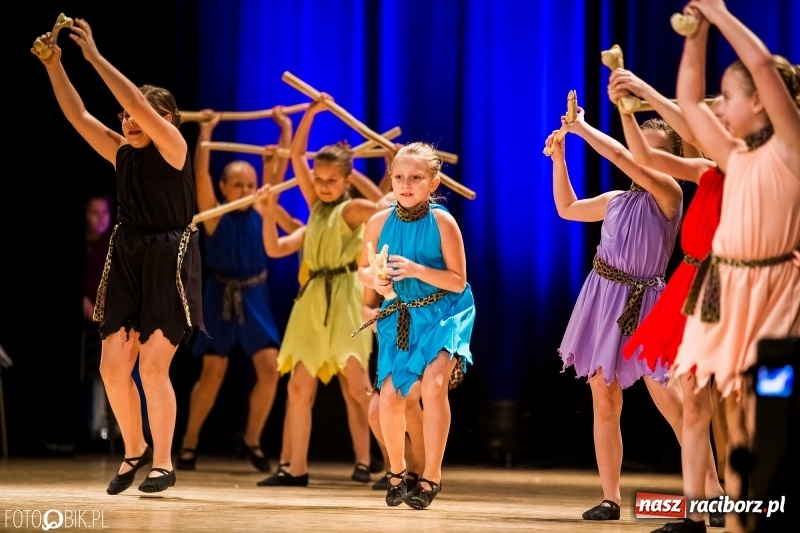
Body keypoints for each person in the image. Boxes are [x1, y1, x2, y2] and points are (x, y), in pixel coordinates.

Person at [32, 18, 205, 494]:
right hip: (128, 254)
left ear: (167, 120)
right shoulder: (122, 153)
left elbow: (139, 104)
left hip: (169, 256)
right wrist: (54, 66)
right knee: (112, 367)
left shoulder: (174, 145)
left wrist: (94, 57)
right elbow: (79, 116)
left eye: (138, 114)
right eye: (124, 115)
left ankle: (163, 463)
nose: (129, 120)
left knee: (152, 366)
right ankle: (134, 448)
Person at [669, 2, 800, 531]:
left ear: (762, 103)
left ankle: (762, 511)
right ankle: (715, 513)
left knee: (764, 410)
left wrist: (720, 14)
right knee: (713, 404)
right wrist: (695, 35)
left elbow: (762, 66)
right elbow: (687, 99)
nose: (718, 106)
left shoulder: (791, 146)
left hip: (774, 291)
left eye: (729, 96)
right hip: (725, 286)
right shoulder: (734, 154)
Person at [544, 106, 685, 520]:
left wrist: (581, 127)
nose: (643, 157)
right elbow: (568, 208)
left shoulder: (669, 195)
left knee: (671, 398)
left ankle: (710, 489)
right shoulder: (616, 200)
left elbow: (622, 157)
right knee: (603, 396)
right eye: (641, 148)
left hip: (647, 302)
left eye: (654, 151)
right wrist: (559, 159)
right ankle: (611, 498)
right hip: (604, 299)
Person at [608, 69, 728, 531]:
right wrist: (628, 106)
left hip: (735, 284)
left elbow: (689, 117)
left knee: (737, 405)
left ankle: (738, 500)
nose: (711, 123)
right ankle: (698, 510)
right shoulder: (705, 171)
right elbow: (640, 155)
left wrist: (644, 92)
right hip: (697, 284)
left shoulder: (758, 167)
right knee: (694, 399)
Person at [255, 94, 389, 487]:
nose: (324, 186)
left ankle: (394, 466)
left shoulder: (350, 209)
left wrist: (388, 168)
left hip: (346, 298)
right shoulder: (315, 206)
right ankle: (295, 468)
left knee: (359, 388)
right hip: (311, 301)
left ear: (346, 182)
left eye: (333, 181)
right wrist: (310, 115)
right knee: (299, 387)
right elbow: (297, 157)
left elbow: (385, 206)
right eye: (319, 179)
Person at [177, 107, 299, 472]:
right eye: (238, 185)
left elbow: (277, 171)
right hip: (219, 294)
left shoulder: (262, 208)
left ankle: (252, 440)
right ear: (224, 188)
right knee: (213, 371)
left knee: (270, 368)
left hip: (254, 295)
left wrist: (284, 130)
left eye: (250, 185)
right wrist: (206, 134)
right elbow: (200, 174)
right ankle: (189, 442)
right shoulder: (214, 215)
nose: (245, 190)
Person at [355, 141, 476, 510]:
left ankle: (431, 477)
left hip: (445, 312)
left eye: (416, 178)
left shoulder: (443, 222)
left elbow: (458, 280)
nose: (406, 185)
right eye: (399, 177)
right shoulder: (378, 222)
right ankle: (397, 473)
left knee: (435, 386)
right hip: (402, 313)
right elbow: (363, 270)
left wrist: (416, 269)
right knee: (391, 396)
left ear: (433, 183)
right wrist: (377, 280)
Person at [361, 286, 425, 491]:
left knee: (410, 400)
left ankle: (426, 474)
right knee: (374, 414)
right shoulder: (379, 267)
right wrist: (376, 319)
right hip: (391, 342)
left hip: (424, 331)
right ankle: (409, 467)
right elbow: (367, 306)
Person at [82, 192, 117, 448]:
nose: (101, 218)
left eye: (105, 213)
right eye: (95, 212)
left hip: (109, 315)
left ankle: (116, 429)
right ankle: (91, 426)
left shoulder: (112, 245)